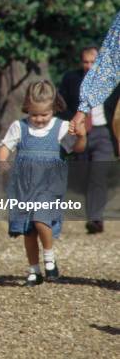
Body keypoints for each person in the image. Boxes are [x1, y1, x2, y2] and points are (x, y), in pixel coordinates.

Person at [0, 81, 86, 286]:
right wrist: (2, 160)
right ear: (27, 108)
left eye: (44, 115)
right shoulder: (19, 127)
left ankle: (49, 257)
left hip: (50, 185)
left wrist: (81, 136)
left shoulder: (61, 128)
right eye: (34, 114)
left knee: (40, 219)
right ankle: (33, 270)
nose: (39, 119)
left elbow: (77, 149)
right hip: (24, 187)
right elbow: (5, 146)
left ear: (54, 108)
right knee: (28, 231)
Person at [59, 46, 118, 234]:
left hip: (104, 134)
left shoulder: (112, 80)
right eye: (85, 62)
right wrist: (74, 120)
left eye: (93, 62)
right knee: (83, 175)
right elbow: (61, 105)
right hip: (79, 132)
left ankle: (95, 218)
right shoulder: (71, 79)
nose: (89, 66)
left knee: (97, 175)